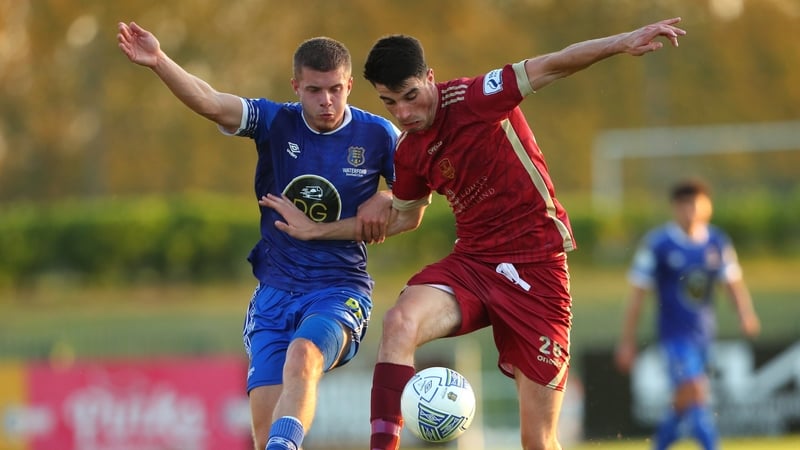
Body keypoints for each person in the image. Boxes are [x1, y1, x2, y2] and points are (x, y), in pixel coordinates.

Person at [116, 22, 398, 450]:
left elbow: (417, 203)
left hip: (338, 290)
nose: (326, 101)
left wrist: (391, 195)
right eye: (314, 90)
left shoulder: (378, 134)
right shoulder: (274, 121)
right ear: (296, 86)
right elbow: (211, 102)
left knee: (304, 356)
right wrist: (159, 61)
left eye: (336, 90)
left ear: (350, 85)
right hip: (273, 297)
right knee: (267, 437)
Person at [614, 178, 760, 450]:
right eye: (683, 205)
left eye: (695, 203)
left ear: (708, 206)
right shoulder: (658, 245)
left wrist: (745, 314)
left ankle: (658, 446)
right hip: (674, 338)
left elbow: (732, 284)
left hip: (704, 336)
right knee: (696, 392)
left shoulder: (716, 242)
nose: (690, 210)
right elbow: (637, 295)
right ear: (674, 208)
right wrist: (627, 340)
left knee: (685, 401)